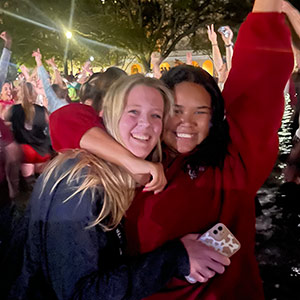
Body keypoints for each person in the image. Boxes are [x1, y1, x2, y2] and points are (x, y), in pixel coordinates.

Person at [49, 0, 293, 298]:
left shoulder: (235, 164)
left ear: (215, 118)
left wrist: (269, 7)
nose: (186, 123)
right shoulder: (132, 160)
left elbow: (258, 80)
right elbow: (65, 119)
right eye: (175, 110)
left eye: (200, 112)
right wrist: (133, 162)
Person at [9, 74, 230, 300]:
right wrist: (176, 258)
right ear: (106, 116)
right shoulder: (78, 182)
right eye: (133, 111)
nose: (145, 124)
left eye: (156, 115)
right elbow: (78, 294)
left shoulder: (122, 172)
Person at [6, 81, 52, 182]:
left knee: (29, 183)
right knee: (42, 181)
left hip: (24, 151)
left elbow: (5, 127)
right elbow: (51, 128)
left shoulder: (12, 109)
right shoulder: (42, 110)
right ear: (34, 93)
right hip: (42, 150)